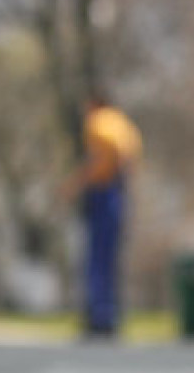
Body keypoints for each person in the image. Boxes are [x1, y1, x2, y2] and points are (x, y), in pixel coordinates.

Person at [61, 97, 142, 340]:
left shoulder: (98, 123)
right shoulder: (123, 125)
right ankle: (110, 316)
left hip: (102, 193)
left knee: (96, 259)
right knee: (110, 260)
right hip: (118, 192)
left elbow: (95, 160)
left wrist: (74, 185)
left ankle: (98, 318)